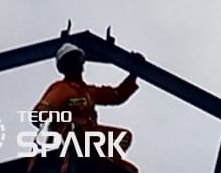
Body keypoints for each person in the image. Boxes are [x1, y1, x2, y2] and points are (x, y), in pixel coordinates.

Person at [29, 42, 142, 172]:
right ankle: (100, 161)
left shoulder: (88, 91)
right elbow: (38, 113)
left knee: (123, 137)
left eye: (76, 60)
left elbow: (117, 95)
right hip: (71, 137)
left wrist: (134, 74)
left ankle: (105, 162)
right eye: (70, 61)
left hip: (90, 139)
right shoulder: (61, 88)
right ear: (64, 66)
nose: (75, 64)